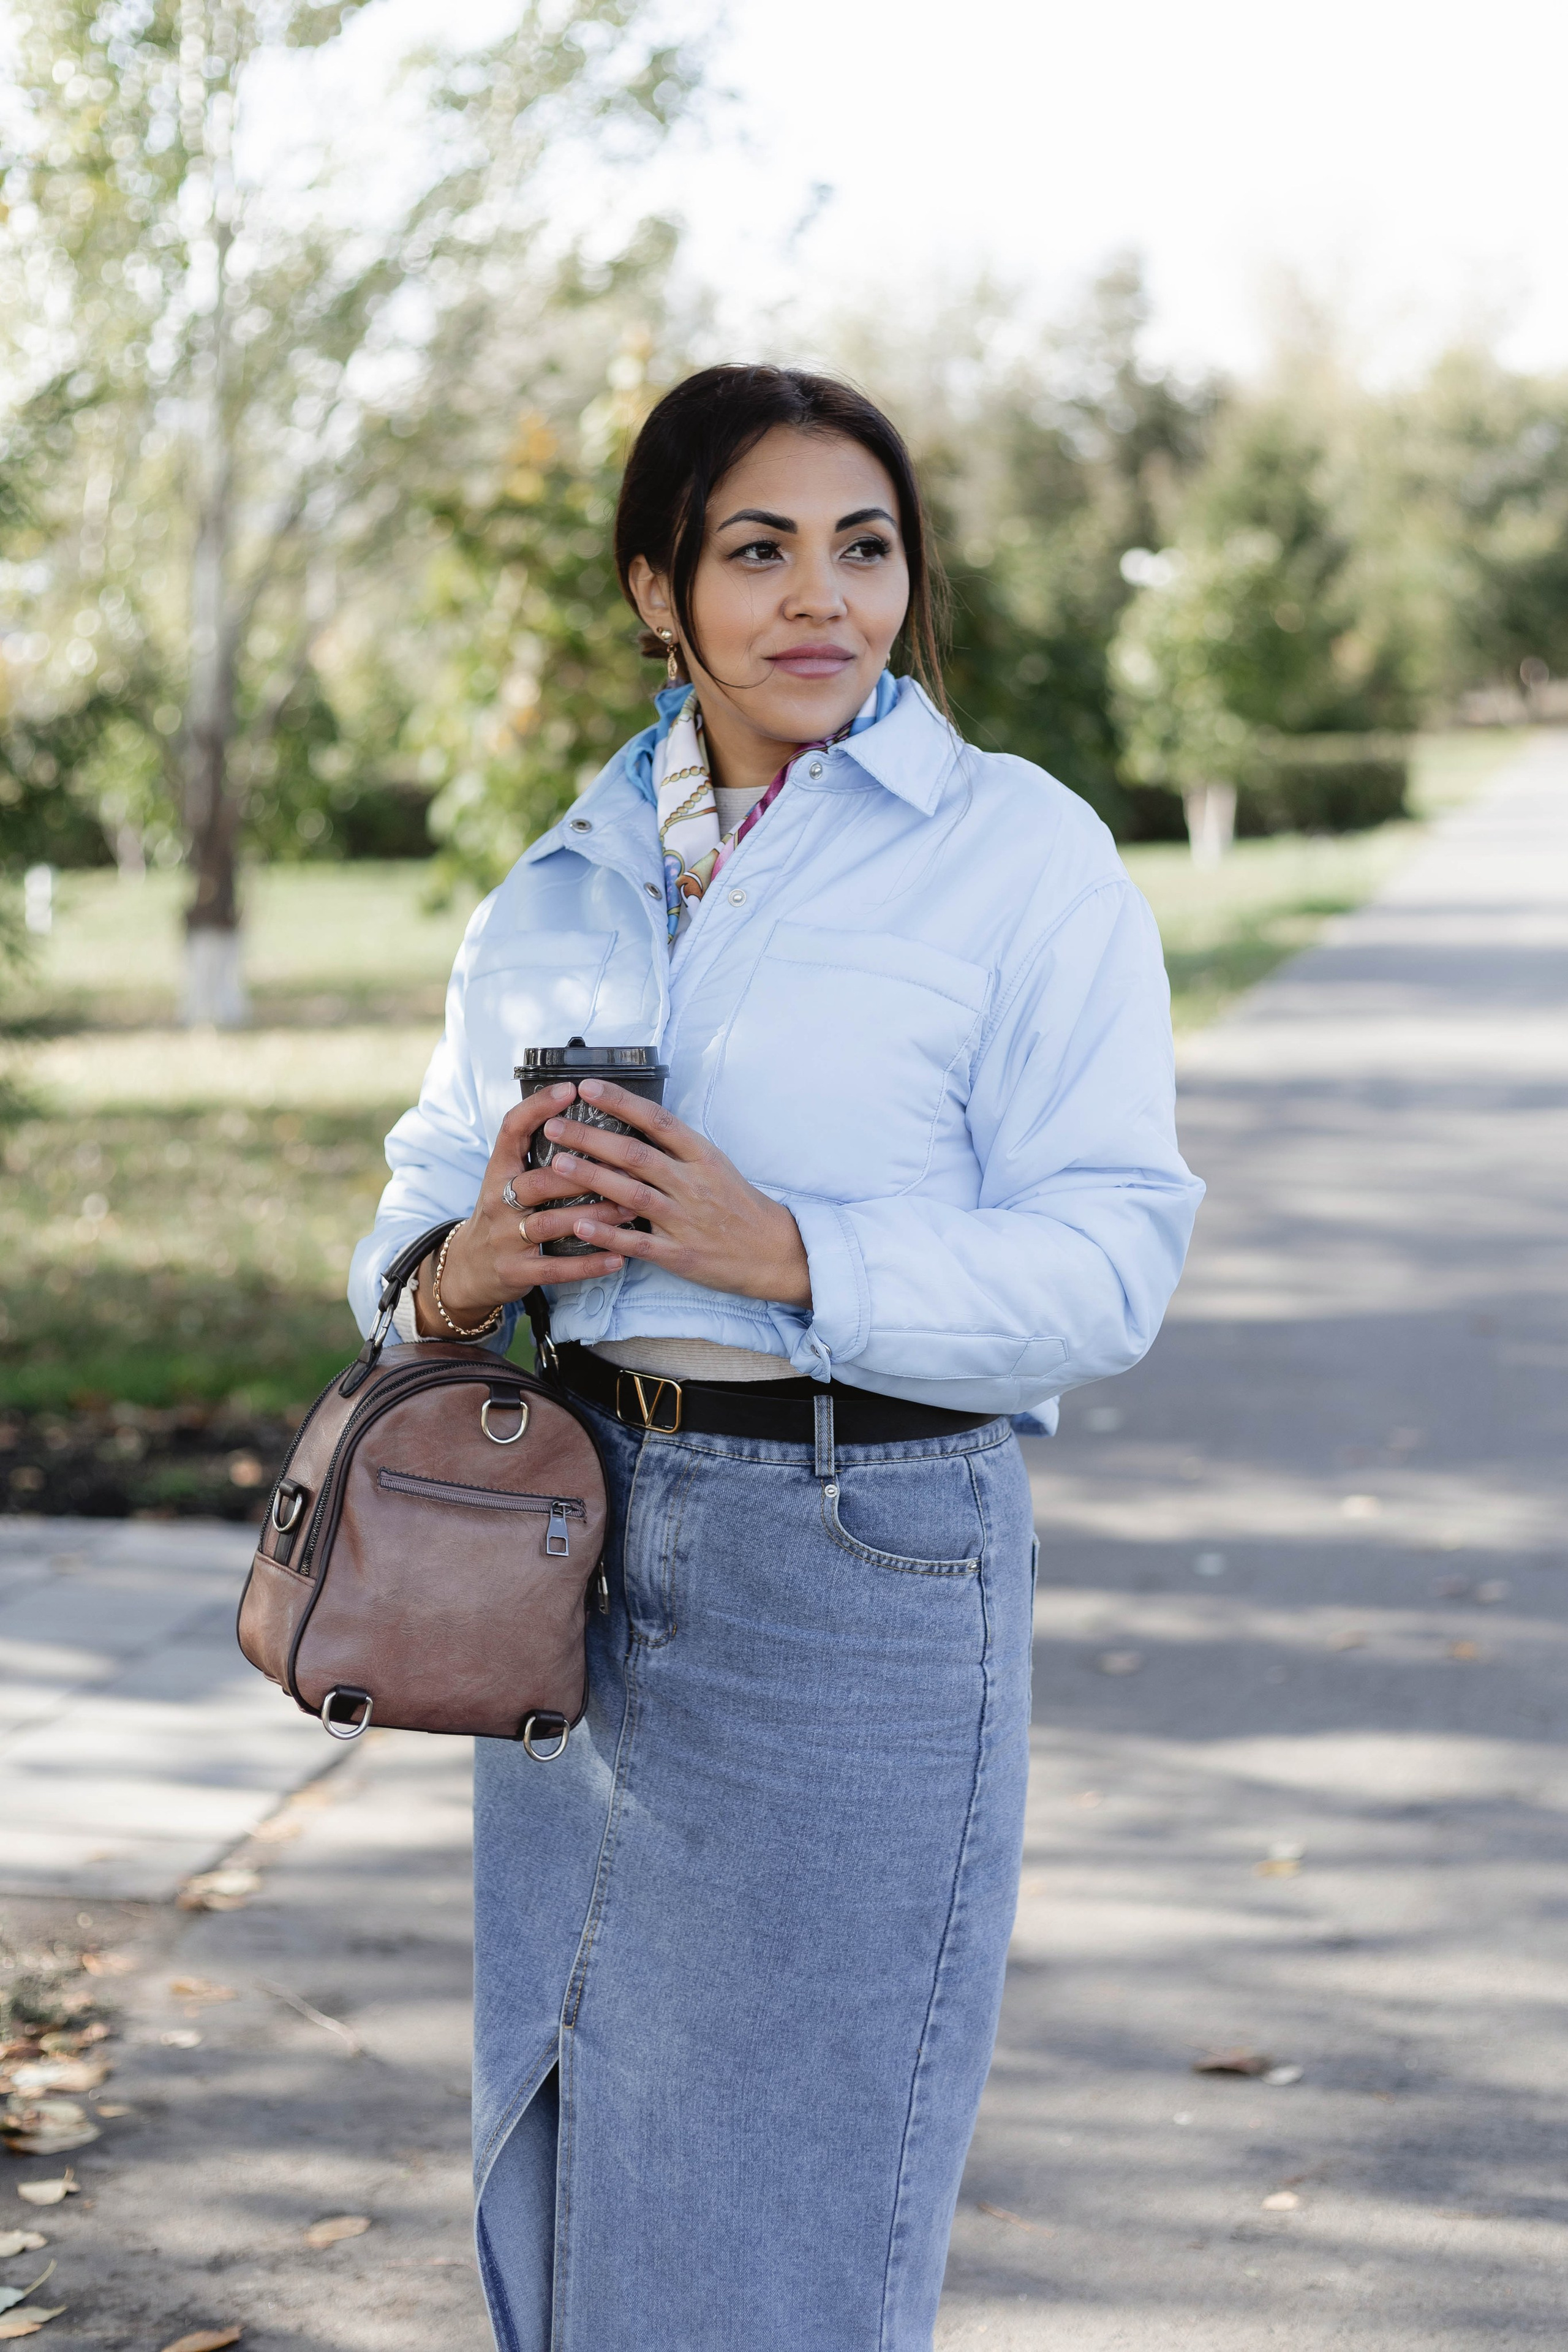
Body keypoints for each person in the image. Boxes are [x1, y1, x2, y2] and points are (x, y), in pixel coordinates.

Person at [349, 363, 1202, 2351]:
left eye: (865, 546)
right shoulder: (564, 876)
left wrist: (788, 1252)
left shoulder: (1019, 857)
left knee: (791, 2208)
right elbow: (402, 1214)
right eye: (758, 551)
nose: (823, 598)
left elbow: (1110, 1266)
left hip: (865, 1559)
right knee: (563, 2156)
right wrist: (463, 1269)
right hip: (571, 1560)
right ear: (662, 590)